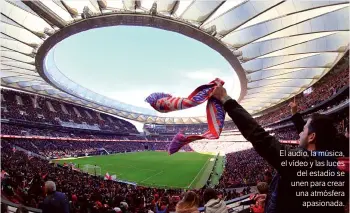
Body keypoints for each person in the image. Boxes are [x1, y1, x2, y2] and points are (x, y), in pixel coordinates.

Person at [211, 86, 349, 213]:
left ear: (312, 137)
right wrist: (274, 199)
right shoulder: (330, 164)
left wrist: (226, 100)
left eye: (304, 129)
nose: (300, 133)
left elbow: (261, 138)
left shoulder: (305, 164)